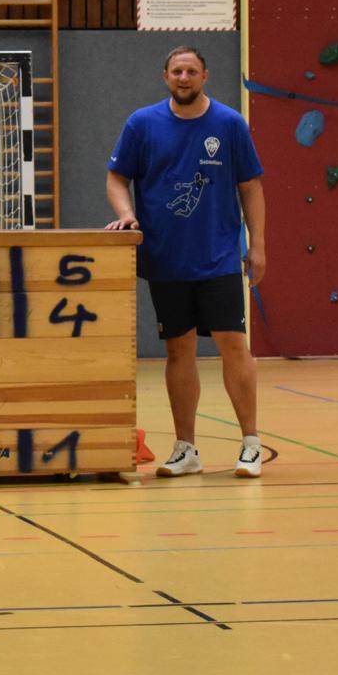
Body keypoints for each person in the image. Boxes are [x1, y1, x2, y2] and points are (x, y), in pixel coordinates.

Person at [105, 46, 267, 479]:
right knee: (179, 350)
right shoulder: (142, 124)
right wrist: (126, 213)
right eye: (176, 71)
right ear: (165, 77)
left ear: (204, 76)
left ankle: (251, 443)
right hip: (166, 258)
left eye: (191, 71)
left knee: (233, 344)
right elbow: (117, 177)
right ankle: (186, 449)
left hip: (218, 257)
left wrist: (257, 245)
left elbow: (251, 187)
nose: (183, 77)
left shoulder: (229, 124)